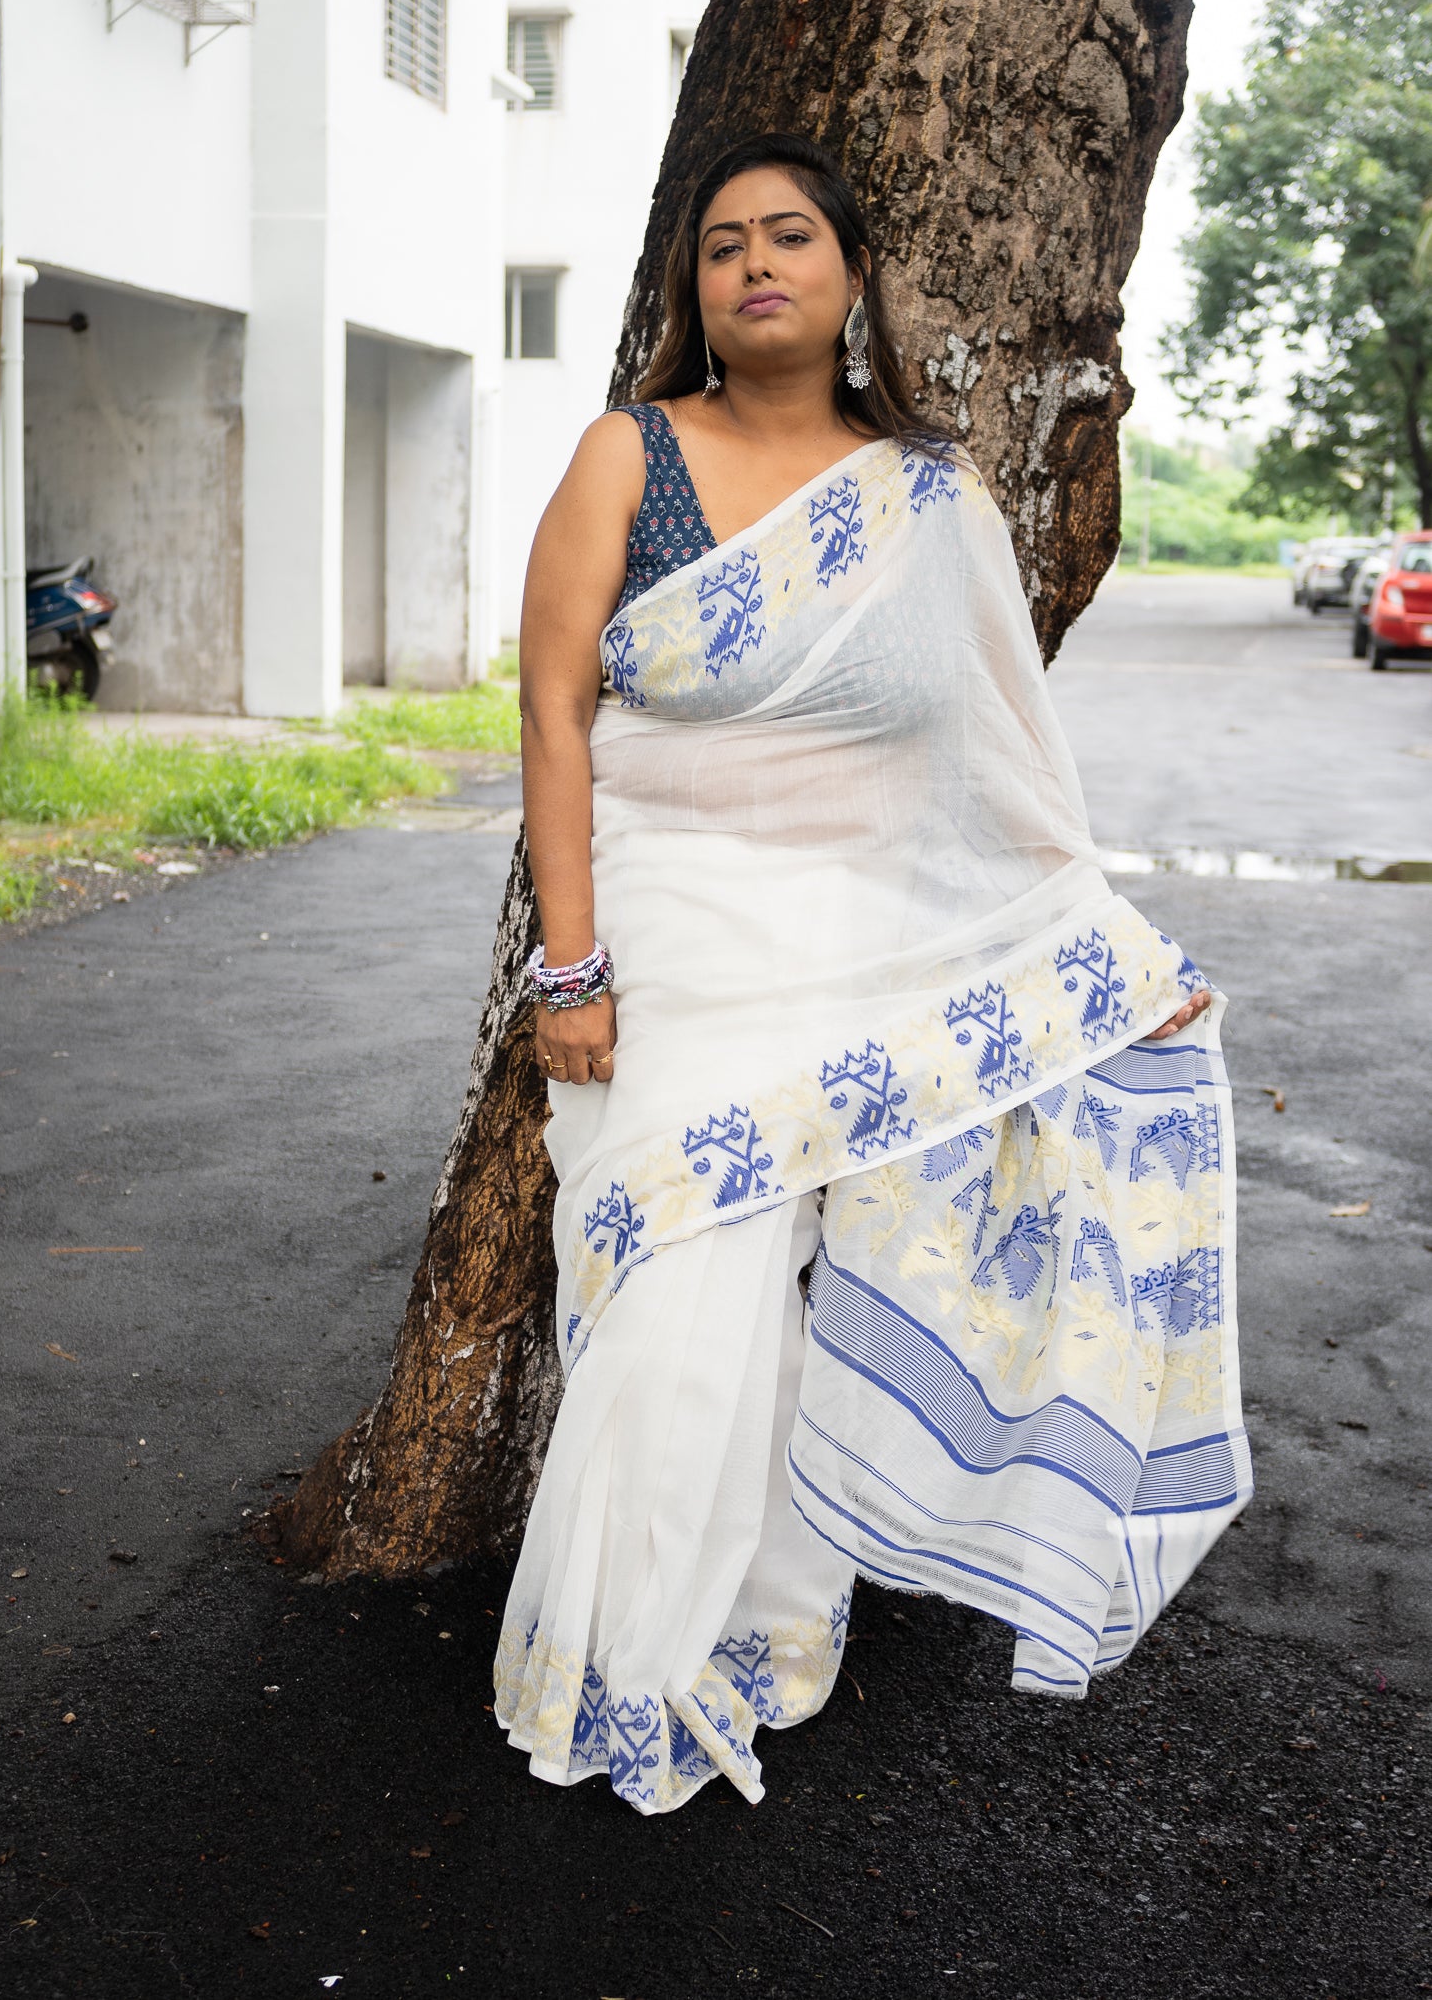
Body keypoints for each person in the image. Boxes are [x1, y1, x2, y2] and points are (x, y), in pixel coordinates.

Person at [495, 132, 1250, 1817]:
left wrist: (1114, 959)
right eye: (720, 248)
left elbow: (1006, 765)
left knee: (813, 1307)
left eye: (789, 239)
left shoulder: (925, 497)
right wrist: (572, 971)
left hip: (868, 949)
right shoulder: (630, 454)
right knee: (678, 1294)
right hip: (677, 938)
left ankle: (768, 1629)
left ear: (849, 280)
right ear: (692, 293)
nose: (753, 265)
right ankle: (628, 1653)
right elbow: (553, 715)